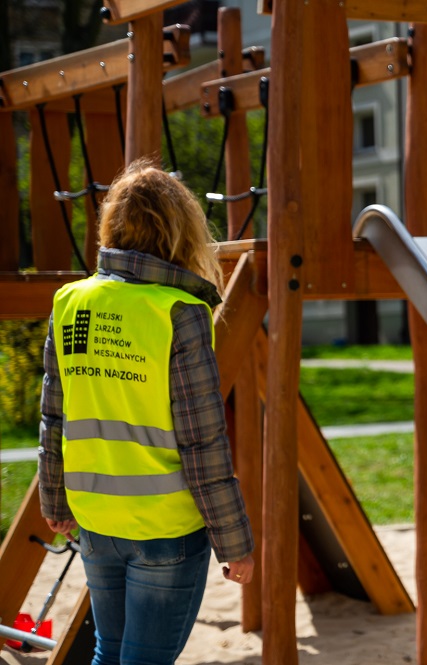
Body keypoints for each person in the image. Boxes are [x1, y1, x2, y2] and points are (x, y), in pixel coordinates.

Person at [38, 159, 255, 665]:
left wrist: (55, 500)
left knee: (108, 653)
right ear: (180, 232)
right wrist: (234, 542)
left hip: (95, 515)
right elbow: (202, 442)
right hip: (164, 528)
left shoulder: (70, 302)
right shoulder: (179, 312)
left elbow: (55, 417)